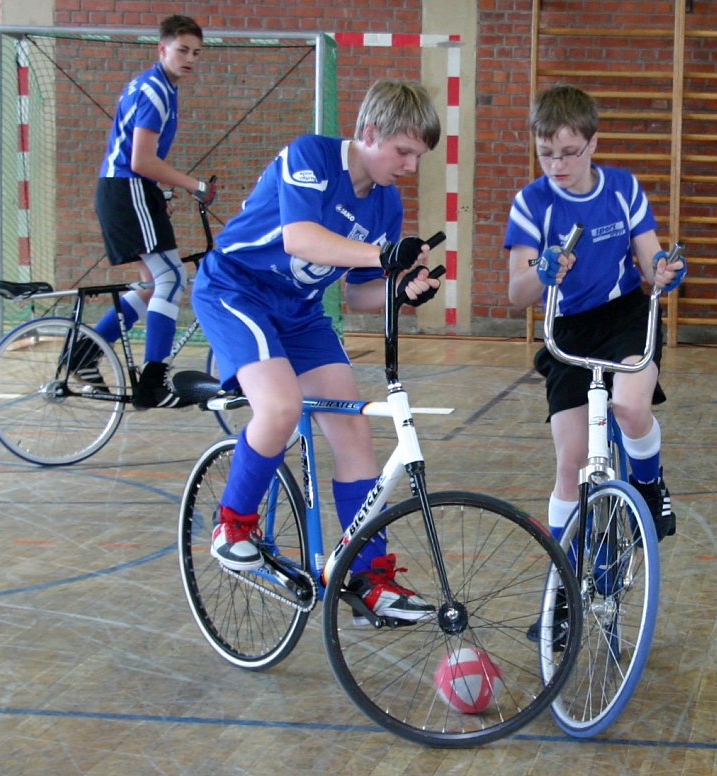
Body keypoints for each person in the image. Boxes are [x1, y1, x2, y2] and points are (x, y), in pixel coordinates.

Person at [191, 78, 442, 624]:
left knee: (353, 430)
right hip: (236, 290)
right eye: (403, 152)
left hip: (302, 313)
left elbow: (356, 294)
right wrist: (384, 254)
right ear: (370, 132)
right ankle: (232, 524)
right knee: (279, 407)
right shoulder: (310, 155)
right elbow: (300, 238)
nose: (409, 167)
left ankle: (369, 577)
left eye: (417, 157)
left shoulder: (387, 204)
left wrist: (402, 288)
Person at [505, 84, 687, 550]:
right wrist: (541, 271)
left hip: (624, 316)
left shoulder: (622, 189)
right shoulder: (532, 202)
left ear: (593, 144)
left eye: (569, 153)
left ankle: (649, 483)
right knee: (571, 463)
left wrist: (665, 268)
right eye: (546, 154)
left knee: (629, 405)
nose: (557, 165)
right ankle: (563, 582)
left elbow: (650, 263)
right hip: (568, 330)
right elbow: (516, 292)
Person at [74, 14, 215, 408]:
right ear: (162, 48)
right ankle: (153, 382)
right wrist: (194, 186)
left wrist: (163, 193)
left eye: (196, 53)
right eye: (182, 49)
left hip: (130, 190)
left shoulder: (158, 87)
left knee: (154, 284)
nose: (190, 58)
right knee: (171, 277)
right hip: (127, 187)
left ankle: (83, 354)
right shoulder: (155, 90)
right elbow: (140, 160)